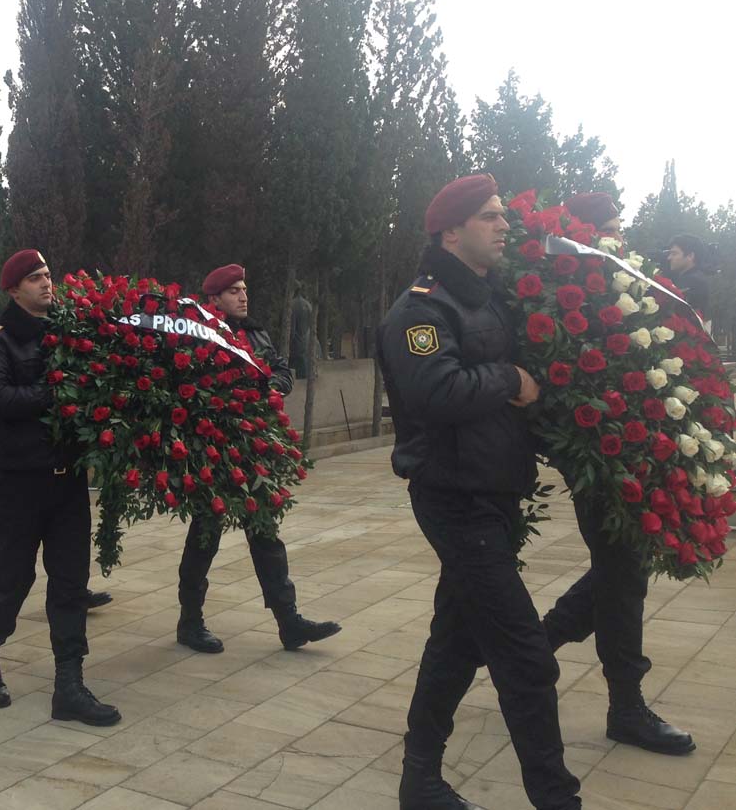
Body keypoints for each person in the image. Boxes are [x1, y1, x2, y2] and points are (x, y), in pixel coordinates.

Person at [378, 174, 581, 810]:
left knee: (455, 641)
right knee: (525, 657)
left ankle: (419, 779)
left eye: (502, 215)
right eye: (490, 217)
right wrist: (508, 378)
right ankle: (557, 798)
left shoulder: (486, 299)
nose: (504, 226)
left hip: (492, 494)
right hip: (455, 498)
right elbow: (435, 393)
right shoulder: (421, 309)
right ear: (451, 230)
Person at [540, 199, 696, 755]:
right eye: (606, 234)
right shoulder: (564, 299)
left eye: (618, 232)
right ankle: (625, 706)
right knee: (623, 572)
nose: (617, 244)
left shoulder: (626, 295)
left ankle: (537, 646)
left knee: (620, 570)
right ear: (581, 239)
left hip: (636, 457)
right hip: (600, 463)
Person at [0, 249, 120, 726]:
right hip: (20, 483)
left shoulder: (67, 333)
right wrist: (55, 391)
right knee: (13, 580)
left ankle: (69, 686)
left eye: (48, 275)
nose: (46, 284)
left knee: (72, 583)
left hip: (67, 483)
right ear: (13, 290)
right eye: (35, 278)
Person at [175, 265, 339, 655]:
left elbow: (281, 369)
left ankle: (289, 622)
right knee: (205, 536)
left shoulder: (256, 332)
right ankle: (190, 621)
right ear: (214, 300)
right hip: (213, 450)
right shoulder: (198, 334)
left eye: (244, 289)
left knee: (265, 533)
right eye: (234, 291)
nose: (243, 297)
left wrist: (272, 388)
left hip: (251, 448)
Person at [665, 232, 711, 321]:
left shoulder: (692, 281)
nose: (669, 258)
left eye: (674, 254)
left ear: (690, 256)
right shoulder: (697, 278)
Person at [289, 283, 312, 379]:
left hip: (296, 340)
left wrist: (291, 339)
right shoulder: (308, 304)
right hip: (307, 338)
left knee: (297, 363)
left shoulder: (291, 304)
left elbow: (292, 327)